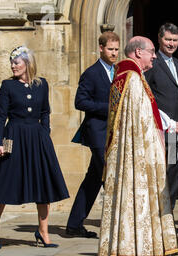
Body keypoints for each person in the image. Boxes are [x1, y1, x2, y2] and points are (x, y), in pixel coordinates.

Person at [97, 36, 178, 256]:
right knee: (133, 204)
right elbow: (141, 124)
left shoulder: (128, 76)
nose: (155, 56)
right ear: (136, 53)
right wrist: (157, 145)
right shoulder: (131, 80)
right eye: (151, 51)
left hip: (131, 156)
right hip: (135, 158)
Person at [0, 46, 69, 250]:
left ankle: (43, 230)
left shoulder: (42, 85)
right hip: (13, 136)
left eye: (17, 62)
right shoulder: (7, 86)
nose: (13, 66)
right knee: (5, 180)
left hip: (37, 138)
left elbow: (46, 112)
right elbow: (2, 117)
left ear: (27, 63)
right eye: (12, 62)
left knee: (43, 183)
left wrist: (45, 132)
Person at [66, 31, 120, 238]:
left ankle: (74, 224)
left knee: (93, 179)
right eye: (110, 49)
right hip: (97, 133)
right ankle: (117, 226)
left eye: (116, 49)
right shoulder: (91, 73)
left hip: (113, 133)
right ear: (101, 48)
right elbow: (80, 101)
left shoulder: (117, 71)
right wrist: (107, 107)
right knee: (110, 176)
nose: (114, 53)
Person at [145, 23, 178, 232]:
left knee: (174, 175)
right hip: (162, 130)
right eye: (168, 40)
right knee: (160, 174)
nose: (171, 44)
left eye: (175, 40)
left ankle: (168, 219)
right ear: (160, 40)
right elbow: (147, 96)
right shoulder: (153, 64)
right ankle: (157, 220)